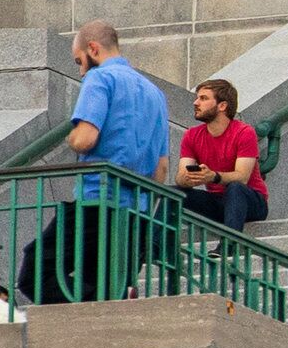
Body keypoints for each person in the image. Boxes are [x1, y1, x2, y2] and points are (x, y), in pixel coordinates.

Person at [18, 20, 173, 304]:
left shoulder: (100, 79)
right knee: (102, 283)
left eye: (79, 61)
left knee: (35, 271)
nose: (80, 70)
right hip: (135, 210)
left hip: (95, 200)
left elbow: (86, 138)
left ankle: (112, 295)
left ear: (93, 48)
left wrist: (73, 138)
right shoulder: (156, 94)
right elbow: (162, 169)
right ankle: (114, 295)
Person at [170, 78, 268, 232]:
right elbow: (180, 176)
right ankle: (152, 248)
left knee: (235, 188)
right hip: (218, 203)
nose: (196, 103)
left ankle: (228, 245)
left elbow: (242, 177)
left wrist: (213, 177)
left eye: (203, 98)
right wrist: (189, 179)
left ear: (222, 106)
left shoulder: (244, 132)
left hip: (251, 202)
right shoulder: (191, 135)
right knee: (171, 193)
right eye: (197, 98)